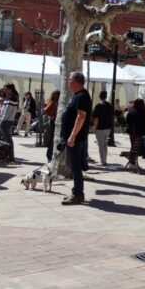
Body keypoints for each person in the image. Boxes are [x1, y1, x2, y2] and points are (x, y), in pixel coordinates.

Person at [61, 72, 92, 205]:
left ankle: (78, 194)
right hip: (74, 138)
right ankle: (76, 191)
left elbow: (81, 117)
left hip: (76, 138)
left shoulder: (82, 96)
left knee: (75, 167)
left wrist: (72, 136)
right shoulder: (77, 95)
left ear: (75, 81)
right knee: (74, 166)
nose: (68, 82)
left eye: (69, 79)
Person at [91, 90, 113, 166]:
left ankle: (102, 161)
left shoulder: (98, 106)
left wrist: (94, 127)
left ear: (99, 96)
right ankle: (105, 159)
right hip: (108, 128)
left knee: (100, 145)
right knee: (104, 144)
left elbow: (96, 118)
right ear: (106, 96)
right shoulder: (110, 105)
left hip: (100, 128)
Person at [125, 98, 145, 166]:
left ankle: (132, 162)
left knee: (133, 147)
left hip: (133, 133)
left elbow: (127, 121)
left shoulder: (131, 113)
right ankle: (134, 162)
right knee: (136, 147)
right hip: (141, 134)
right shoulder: (143, 114)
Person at [0, 83, 18, 164]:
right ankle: (6, 156)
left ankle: (10, 157)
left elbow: (7, 111)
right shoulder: (10, 97)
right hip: (6, 120)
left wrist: (2, 119)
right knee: (5, 140)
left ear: (10, 89)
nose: (4, 90)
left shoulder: (12, 98)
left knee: (8, 140)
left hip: (6, 121)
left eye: (5, 88)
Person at [44, 90, 60, 162]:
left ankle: (50, 155)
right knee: (53, 139)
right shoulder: (53, 103)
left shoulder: (54, 102)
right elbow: (46, 110)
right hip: (54, 121)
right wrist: (52, 116)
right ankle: (49, 156)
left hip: (54, 121)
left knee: (53, 139)